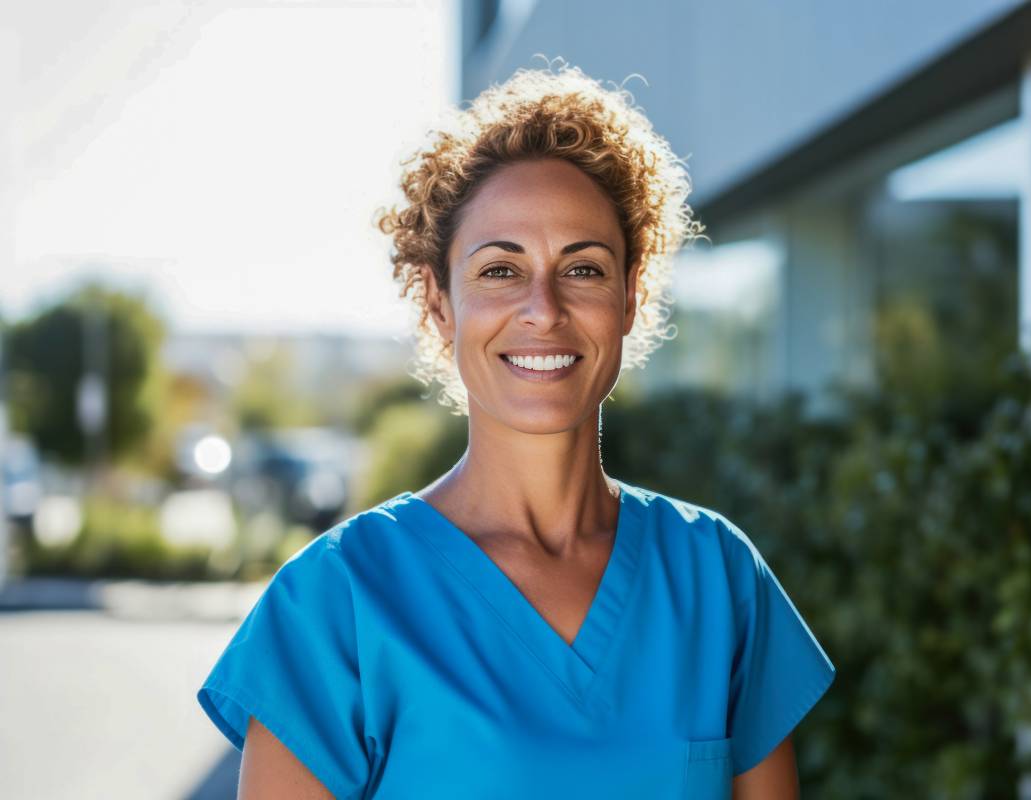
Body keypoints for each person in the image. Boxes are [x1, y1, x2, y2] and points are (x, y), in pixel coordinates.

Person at [196, 61, 835, 799]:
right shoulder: (336, 601)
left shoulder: (718, 577)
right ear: (440, 303)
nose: (544, 308)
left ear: (629, 298)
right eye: (500, 270)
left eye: (585, 270)